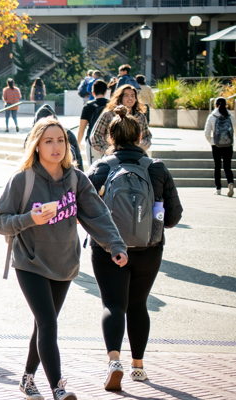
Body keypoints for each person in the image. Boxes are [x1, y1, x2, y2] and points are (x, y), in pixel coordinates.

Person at [0, 117, 127, 400]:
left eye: (61, 140)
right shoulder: (22, 179)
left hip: (64, 263)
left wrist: (115, 245)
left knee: (44, 324)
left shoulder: (77, 179)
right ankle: (58, 388)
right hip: (30, 262)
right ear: (36, 145)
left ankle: (27, 378)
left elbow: (98, 215)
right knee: (49, 323)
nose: (56, 147)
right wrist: (29, 218)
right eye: (48, 141)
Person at [86, 105, 182, 391]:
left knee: (113, 304)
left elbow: (86, 210)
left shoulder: (101, 167)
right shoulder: (157, 169)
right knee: (138, 305)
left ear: (111, 137)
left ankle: (113, 361)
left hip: (107, 248)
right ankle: (138, 366)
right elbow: (174, 217)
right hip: (149, 248)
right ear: (140, 135)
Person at [89, 84, 152, 157]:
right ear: (120, 97)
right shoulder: (108, 115)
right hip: (113, 158)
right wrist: (110, 150)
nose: (130, 98)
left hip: (136, 157)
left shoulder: (140, 117)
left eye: (133, 95)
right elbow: (95, 137)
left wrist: (140, 148)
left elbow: (147, 137)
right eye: (126, 95)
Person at [205, 97, 234, 196]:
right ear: (225, 105)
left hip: (216, 145)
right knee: (227, 167)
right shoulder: (230, 116)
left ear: (215, 105)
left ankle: (218, 189)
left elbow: (207, 133)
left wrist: (212, 141)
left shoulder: (212, 116)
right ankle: (230, 182)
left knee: (217, 166)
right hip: (228, 145)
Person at [80, 79, 110, 162]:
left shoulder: (88, 106)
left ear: (93, 92)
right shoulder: (111, 105)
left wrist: (78, 144)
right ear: (105, 92)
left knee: (93, 169)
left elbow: (81, 128)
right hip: (109, 142)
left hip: (92, 142)